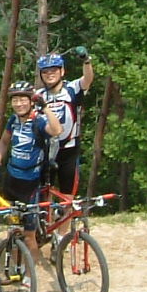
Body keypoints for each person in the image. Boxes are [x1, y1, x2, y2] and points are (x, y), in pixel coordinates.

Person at [0, 81, 63, 262]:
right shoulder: (13, 120)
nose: (19, 104)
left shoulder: (38, 121)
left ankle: (31, 272)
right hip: (12, 178)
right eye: (15, 100)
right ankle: (16, 267)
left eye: (23, 99)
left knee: (29, 235)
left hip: (31, 182)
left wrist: (45, 108)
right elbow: (3, 143)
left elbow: (56, 130)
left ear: (31, 101)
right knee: (14, 229)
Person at [37, 47, 95, 197]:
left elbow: (87, 79)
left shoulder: (71, 88)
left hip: (69, 149)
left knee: (67, 197)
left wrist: (86, 60)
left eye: (53, 70)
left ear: (62, 71)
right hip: (46, 150)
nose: (50, 74)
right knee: (44, 194)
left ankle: (66, 213)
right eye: (45, 72)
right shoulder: (38, 95)